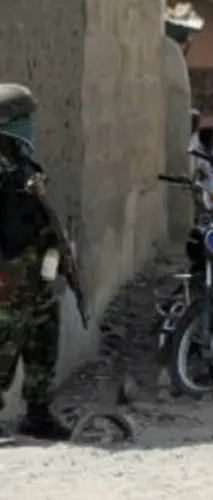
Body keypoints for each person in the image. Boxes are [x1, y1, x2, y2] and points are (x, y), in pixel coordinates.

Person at [0, 83, 75, 442]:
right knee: (3, 341)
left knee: (42, 340)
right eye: (24, 117)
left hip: (35, 273)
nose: (30, 125)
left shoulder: (22, 161)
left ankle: (38, 414)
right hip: (7, 274)